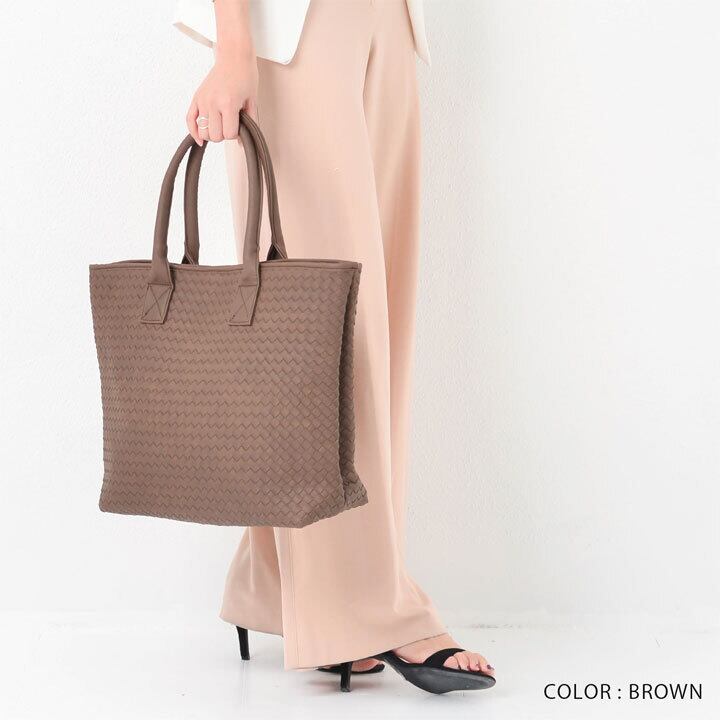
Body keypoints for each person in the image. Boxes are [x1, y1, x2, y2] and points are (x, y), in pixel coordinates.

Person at [174, 0, 495, 693]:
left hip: (388, 21)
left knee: (373, 323)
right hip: (297, 35)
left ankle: (277, 582)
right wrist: (233, 47)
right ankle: (366, 606)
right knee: (331, 336)